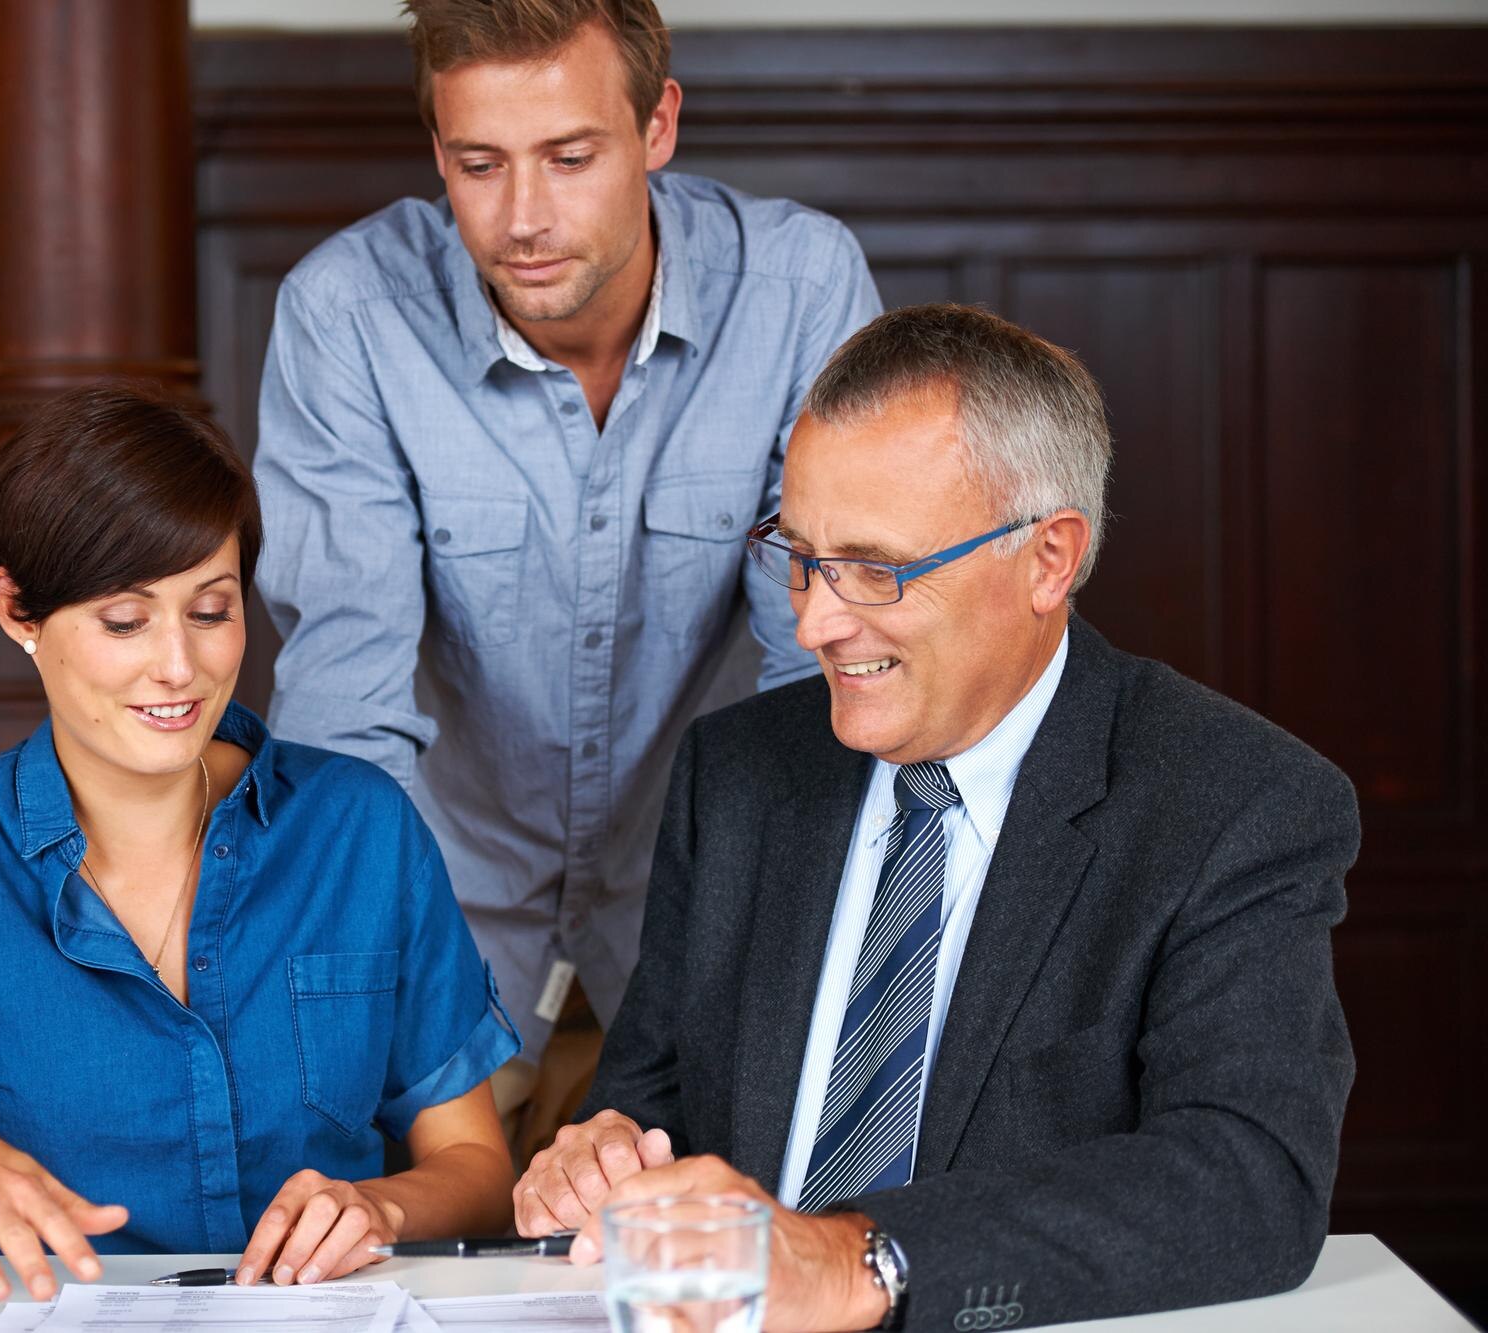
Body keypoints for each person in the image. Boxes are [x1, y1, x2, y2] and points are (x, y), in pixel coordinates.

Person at [514, 304, 1357, 1330]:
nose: (814, 620)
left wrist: (861, 1261)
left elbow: (1247, 1179)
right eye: (800, 553)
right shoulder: (735, 773)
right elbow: (650, 1106)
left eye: (876, 568)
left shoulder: (1235, 801)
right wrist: (598, 1155)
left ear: (1047, 559)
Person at [252, 0, 882, 1126]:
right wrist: (385, 1002)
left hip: (703, 905)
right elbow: (343, 704)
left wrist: (776, 980)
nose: (521, 219)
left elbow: (822, 661)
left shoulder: (796, 289)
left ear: (657, 127)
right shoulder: (345, 314)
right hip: (444, 914)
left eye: (570, 157)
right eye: (477, 164)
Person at [0, 383, 519, 1308]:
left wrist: (381, 1208)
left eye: (211, 609)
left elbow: (476, 1166)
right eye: (125, 620)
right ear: (17, 611)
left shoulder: (358, 825)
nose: (179, 667)